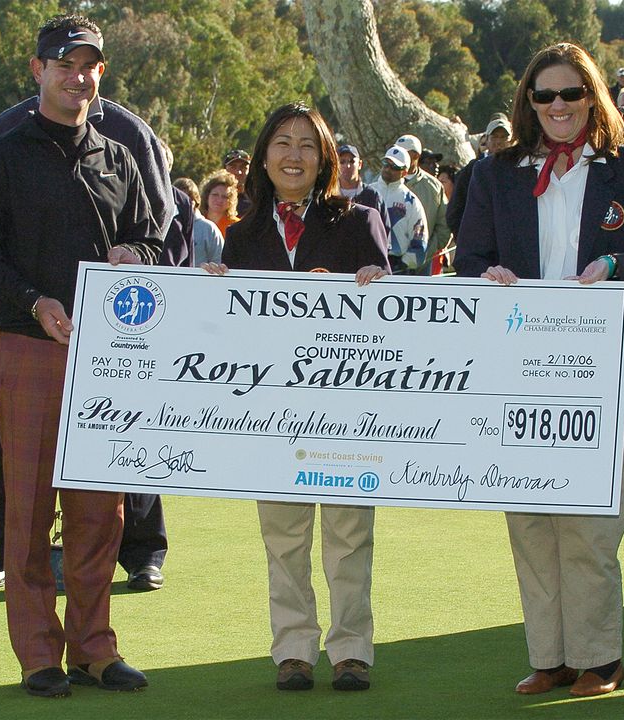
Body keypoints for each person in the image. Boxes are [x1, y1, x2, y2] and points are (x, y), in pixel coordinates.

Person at [455, 41, 624, 698]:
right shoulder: (495, 173)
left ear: (592, 99)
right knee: (529, 523)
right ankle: (551, 657)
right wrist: (484, 273)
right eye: (543, 95)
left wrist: (615, 268)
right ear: (528, 102)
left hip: (601, 383)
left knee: (590, 528)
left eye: (570, 94)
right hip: (516, 377)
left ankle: (601, 659)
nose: (557, 106)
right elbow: (469, 258)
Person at [0, 14, 160, 698]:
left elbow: (153, 241)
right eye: (66, 64)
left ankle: (95, 648)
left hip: (108, 357)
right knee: (29, 508)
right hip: (28, 345)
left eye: (91, 66)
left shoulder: (119, 157)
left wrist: (139, 255)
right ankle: (39, 653)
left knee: (103, 512)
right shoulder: (1, 154)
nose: (79, 76)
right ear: (38, 69)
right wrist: (37, 300)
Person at [203, 102, 389, 694]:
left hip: (345, 414)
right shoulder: (245, 234)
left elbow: (390, 323)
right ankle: (293, 651)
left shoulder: (359, 222)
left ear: (325, 158)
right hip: (272, 417)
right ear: (263, 156)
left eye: (307, 144)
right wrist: (210, 294)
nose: (293, 155)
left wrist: (370, 287)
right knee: (283, 537)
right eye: (282, 142)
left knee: (348, 535)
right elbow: (227, 332)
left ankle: (352, 649)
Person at [393, 134, 450, 274]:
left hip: (423, 267)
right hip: (388, 267)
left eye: (405, 153)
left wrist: (423, 252)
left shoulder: (434, 187)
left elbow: (444, 227)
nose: (399, 156)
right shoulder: (380, 183)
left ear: (416, 156)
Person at [448, 116, 512, 237]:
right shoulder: (472, 169)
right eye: (494, 137)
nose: (498, 142)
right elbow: (454, 211)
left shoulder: (520, 169)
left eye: (503, 137)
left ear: (512, 140)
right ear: (486, 140)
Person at [368, 145, 428, 274]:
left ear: (405, 172)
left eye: (395, 167)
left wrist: (403, 263)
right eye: (386, 163)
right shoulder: (367, 192)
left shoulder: (411, 201)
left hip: (397, 267)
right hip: (366, 262)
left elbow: (420, 239)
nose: (388, 169)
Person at [335, 143, 389, 231]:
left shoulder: (372, 196)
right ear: (336, 165)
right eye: (342, 162)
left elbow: (383, 233)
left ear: (360, 164)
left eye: (352, 161)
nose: (347, 166)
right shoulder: (329, 196)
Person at [174, 176, 224, 266]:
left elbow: (219, 262)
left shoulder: (208, 229)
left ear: (196, 201)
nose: (183, 202)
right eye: (179, 198)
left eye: (188, 198)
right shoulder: (165, 227)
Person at [202, 168, 241, 236]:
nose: (219, 200)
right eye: (215, 195)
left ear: (231, 201)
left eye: (224, 197)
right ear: (207, 196)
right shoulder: (197, 222)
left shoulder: (237, 226)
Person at [223, 148, 252, 216]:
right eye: (233, 167)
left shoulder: (257, 198)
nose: (238, 172)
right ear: (224, 169)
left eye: (243, 167)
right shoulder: (214, 197)